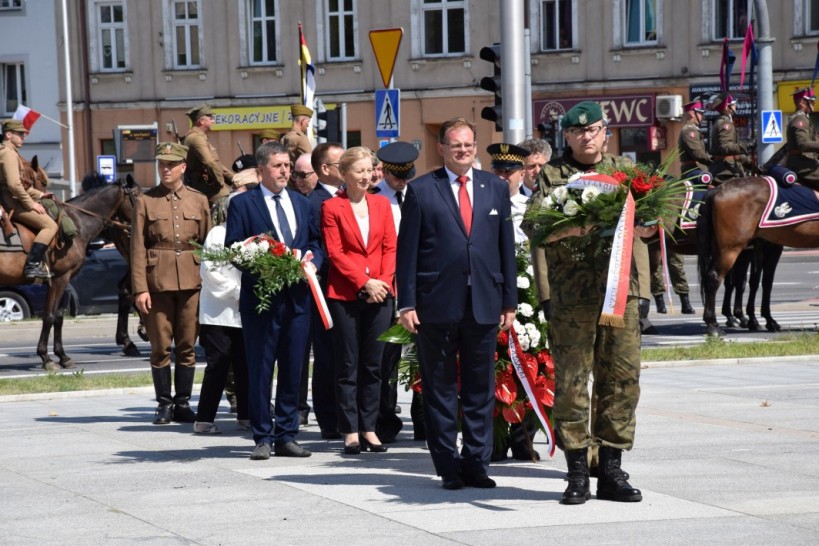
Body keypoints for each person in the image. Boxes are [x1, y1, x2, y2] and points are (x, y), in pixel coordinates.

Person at [523, 101, 645, 505]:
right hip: (571, 296)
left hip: (620, 295)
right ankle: (577, 473)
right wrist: (580, 224)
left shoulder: (626, 172)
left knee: (622, 380)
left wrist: (642, 291)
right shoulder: (553, 176)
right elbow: (537, 229)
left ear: (605, 132)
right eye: (577, 132)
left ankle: (610, 470)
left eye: (592, 130)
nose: (586, 137)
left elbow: (641, 231)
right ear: (567, 137)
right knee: (573, 384)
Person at [397, 117, 517, 490]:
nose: (462, 150)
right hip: (436, 304)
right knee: (441, 387)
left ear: (475, 146)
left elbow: (505, 249)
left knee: (480, 388)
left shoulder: (495, 188)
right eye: (455, 145)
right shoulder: (421, 190)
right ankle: (448, 465)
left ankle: (477, 464)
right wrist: (407, 304)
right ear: (442, 149)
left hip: (484, 302)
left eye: (468, 144)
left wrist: (509, 301)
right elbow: (407, 253)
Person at [225, 141, 323, 460]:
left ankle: (286, 434)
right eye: (278, 166)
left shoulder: (302, 202)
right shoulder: (244, 204)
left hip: (297, 300)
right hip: (262, 300)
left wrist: (313, 263)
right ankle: (262, 436)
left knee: (294, 368)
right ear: (261, 170)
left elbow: (315, 244)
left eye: (287, 165)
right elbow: (234, 249)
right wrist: (263, 265)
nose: (285, 171)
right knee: (261, 369)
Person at [321, 146, 397, 454]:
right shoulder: (331, 207)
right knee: (348, 364)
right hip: (345, 294)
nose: (366, 176)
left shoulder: (382, 205)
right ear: (344, 174)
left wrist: (383, 283)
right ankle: (350, 430)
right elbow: (335, 253)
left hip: (380, 294)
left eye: (369, 170)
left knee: (373, 364)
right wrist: (364, 282)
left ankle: (370, 427)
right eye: (359, 171)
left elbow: (391, 248)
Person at [131, 142, 211, 425]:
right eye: (161, 164)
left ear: (183, 167)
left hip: (192, 282)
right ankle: (164, 404)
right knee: (160, 346)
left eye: (170, 164)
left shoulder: (199, 200)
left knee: (188, 345)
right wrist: (140, 288)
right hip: (157, 282)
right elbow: (137, 247)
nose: (164, 169)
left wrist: (209, 285)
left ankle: (183, 403)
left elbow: (207, 245)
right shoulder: (145, 200)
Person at [193, 170, 258, 435]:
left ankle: (246, 414)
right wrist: (240, 293)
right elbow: (210, 273)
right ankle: (204, 419)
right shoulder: (218, 234)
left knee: (246, 365)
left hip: (246, 313)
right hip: (219, 313)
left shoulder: (255, 237)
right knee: (218, 365)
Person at [373, 140, 419, 443]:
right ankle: (385, 418)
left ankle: (423, 418)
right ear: (385, 172)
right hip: (387, 286)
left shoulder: (417, 194)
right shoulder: (374, 199)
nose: (402, 182)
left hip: (416, 285)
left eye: (406, 176)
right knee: (387, 358)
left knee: (420, 356)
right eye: (397, 177)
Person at [307, 142, 346, 440]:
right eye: (340, 162)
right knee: (328, 357)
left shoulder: (354, 197)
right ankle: (329, 420)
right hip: (325, 289)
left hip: (352, 290)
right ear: (324, 169)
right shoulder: (313, 202)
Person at [0, 119, 57, 279]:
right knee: (50, 226)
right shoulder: (8, 153)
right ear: (9, 134)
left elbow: (20, 186)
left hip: (14, 200)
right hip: (13, 205)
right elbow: (14, 185)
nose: (23, 137)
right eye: (20, 134)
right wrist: (32, 205)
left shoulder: (10, 152)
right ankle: (32, 265)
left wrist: (40, 195)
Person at [183, 104, 234, 203]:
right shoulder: (196, 138)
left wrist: (235, 180)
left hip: (207, 184)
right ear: (201, 121)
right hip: (204, 186)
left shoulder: (200, 137)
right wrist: (220, 182)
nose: (213, 121)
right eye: (210, 118)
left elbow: (217, 165)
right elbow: (210, 162)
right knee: (228, 200)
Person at [487, 142, 530, 245]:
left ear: (522, 174)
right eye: (498, 172)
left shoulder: (530, 206)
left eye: (507, 172)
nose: (501, 177)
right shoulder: (482, 204)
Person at [709, 93, 754, 185]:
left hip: (723, 168)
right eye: (733, 104)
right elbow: (725, 147)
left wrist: (749, 162)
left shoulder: (720, 121)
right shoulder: (725, 123)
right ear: (727, 107)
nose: (735, 106)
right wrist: (747, 145)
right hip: (727, 171)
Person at [786, 87, 819, 187]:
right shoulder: (800, 118)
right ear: (803, 103)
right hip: (802, 165)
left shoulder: (802, 118)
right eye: (812, 102)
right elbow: (803, 144)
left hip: (806, 162)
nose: (814, 104)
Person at [678, 98, 712, 179]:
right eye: (700, 113)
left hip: (697, 170)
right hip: (693, 172)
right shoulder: (689, 130)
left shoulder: (693, 129)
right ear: (692, 113)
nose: (702, 116)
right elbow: (698, 154)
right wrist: (715, 160)